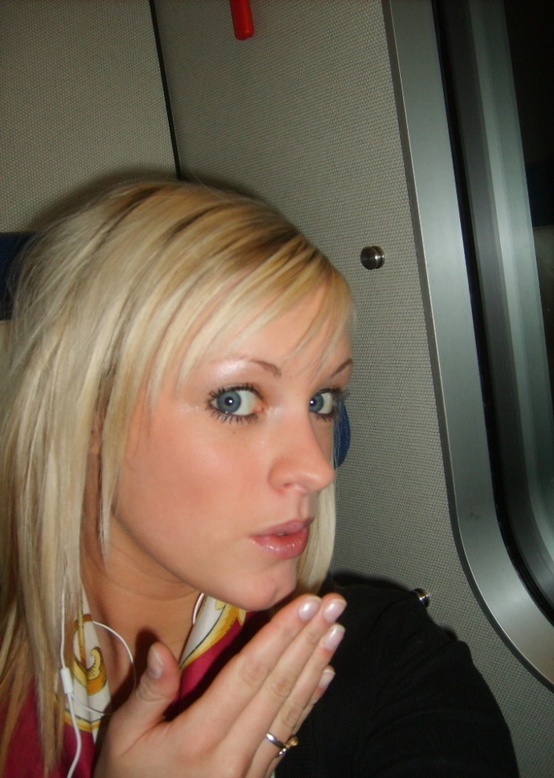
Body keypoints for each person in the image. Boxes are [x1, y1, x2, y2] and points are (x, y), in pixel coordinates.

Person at [0, 179, 518, 777]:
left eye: (322, 401)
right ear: (88, 413)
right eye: (237, 400)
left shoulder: (389, 662)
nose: (318, 469)